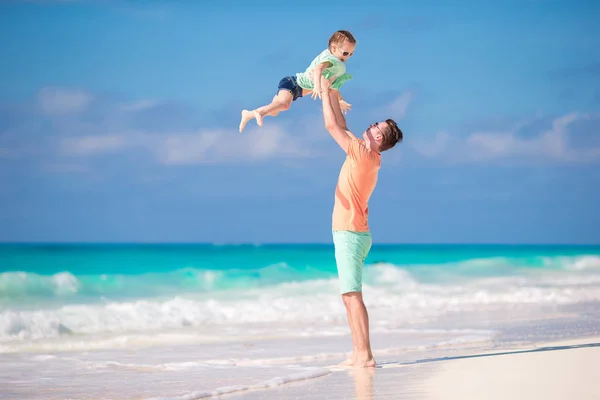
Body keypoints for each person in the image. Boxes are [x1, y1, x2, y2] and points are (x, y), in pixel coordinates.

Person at [319, 75, 403, 368]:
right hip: (352, 233)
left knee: (352, 295)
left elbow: (331, 126)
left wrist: (319, 80)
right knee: (348, 295)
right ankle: (358, 352)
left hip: (350, 233)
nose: (368, 126)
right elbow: (342, 126)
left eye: (373, 127)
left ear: (378, 138)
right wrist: (330, 91)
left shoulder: (363, 154)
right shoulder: (367, 154)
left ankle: (365, 354)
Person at [238, 30, 356, 133]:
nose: (348, 57)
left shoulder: (336, 63)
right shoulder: (331, 59)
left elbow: (333, 86)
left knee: (274, 111)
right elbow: (318, 69)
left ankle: (248, 114)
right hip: (293, 83)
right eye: (345, 53)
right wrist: (316, 86)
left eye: (351, 53)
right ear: (334, 48)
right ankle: (258, 113)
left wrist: (339, 100)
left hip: (297, 91)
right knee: (284, 105)